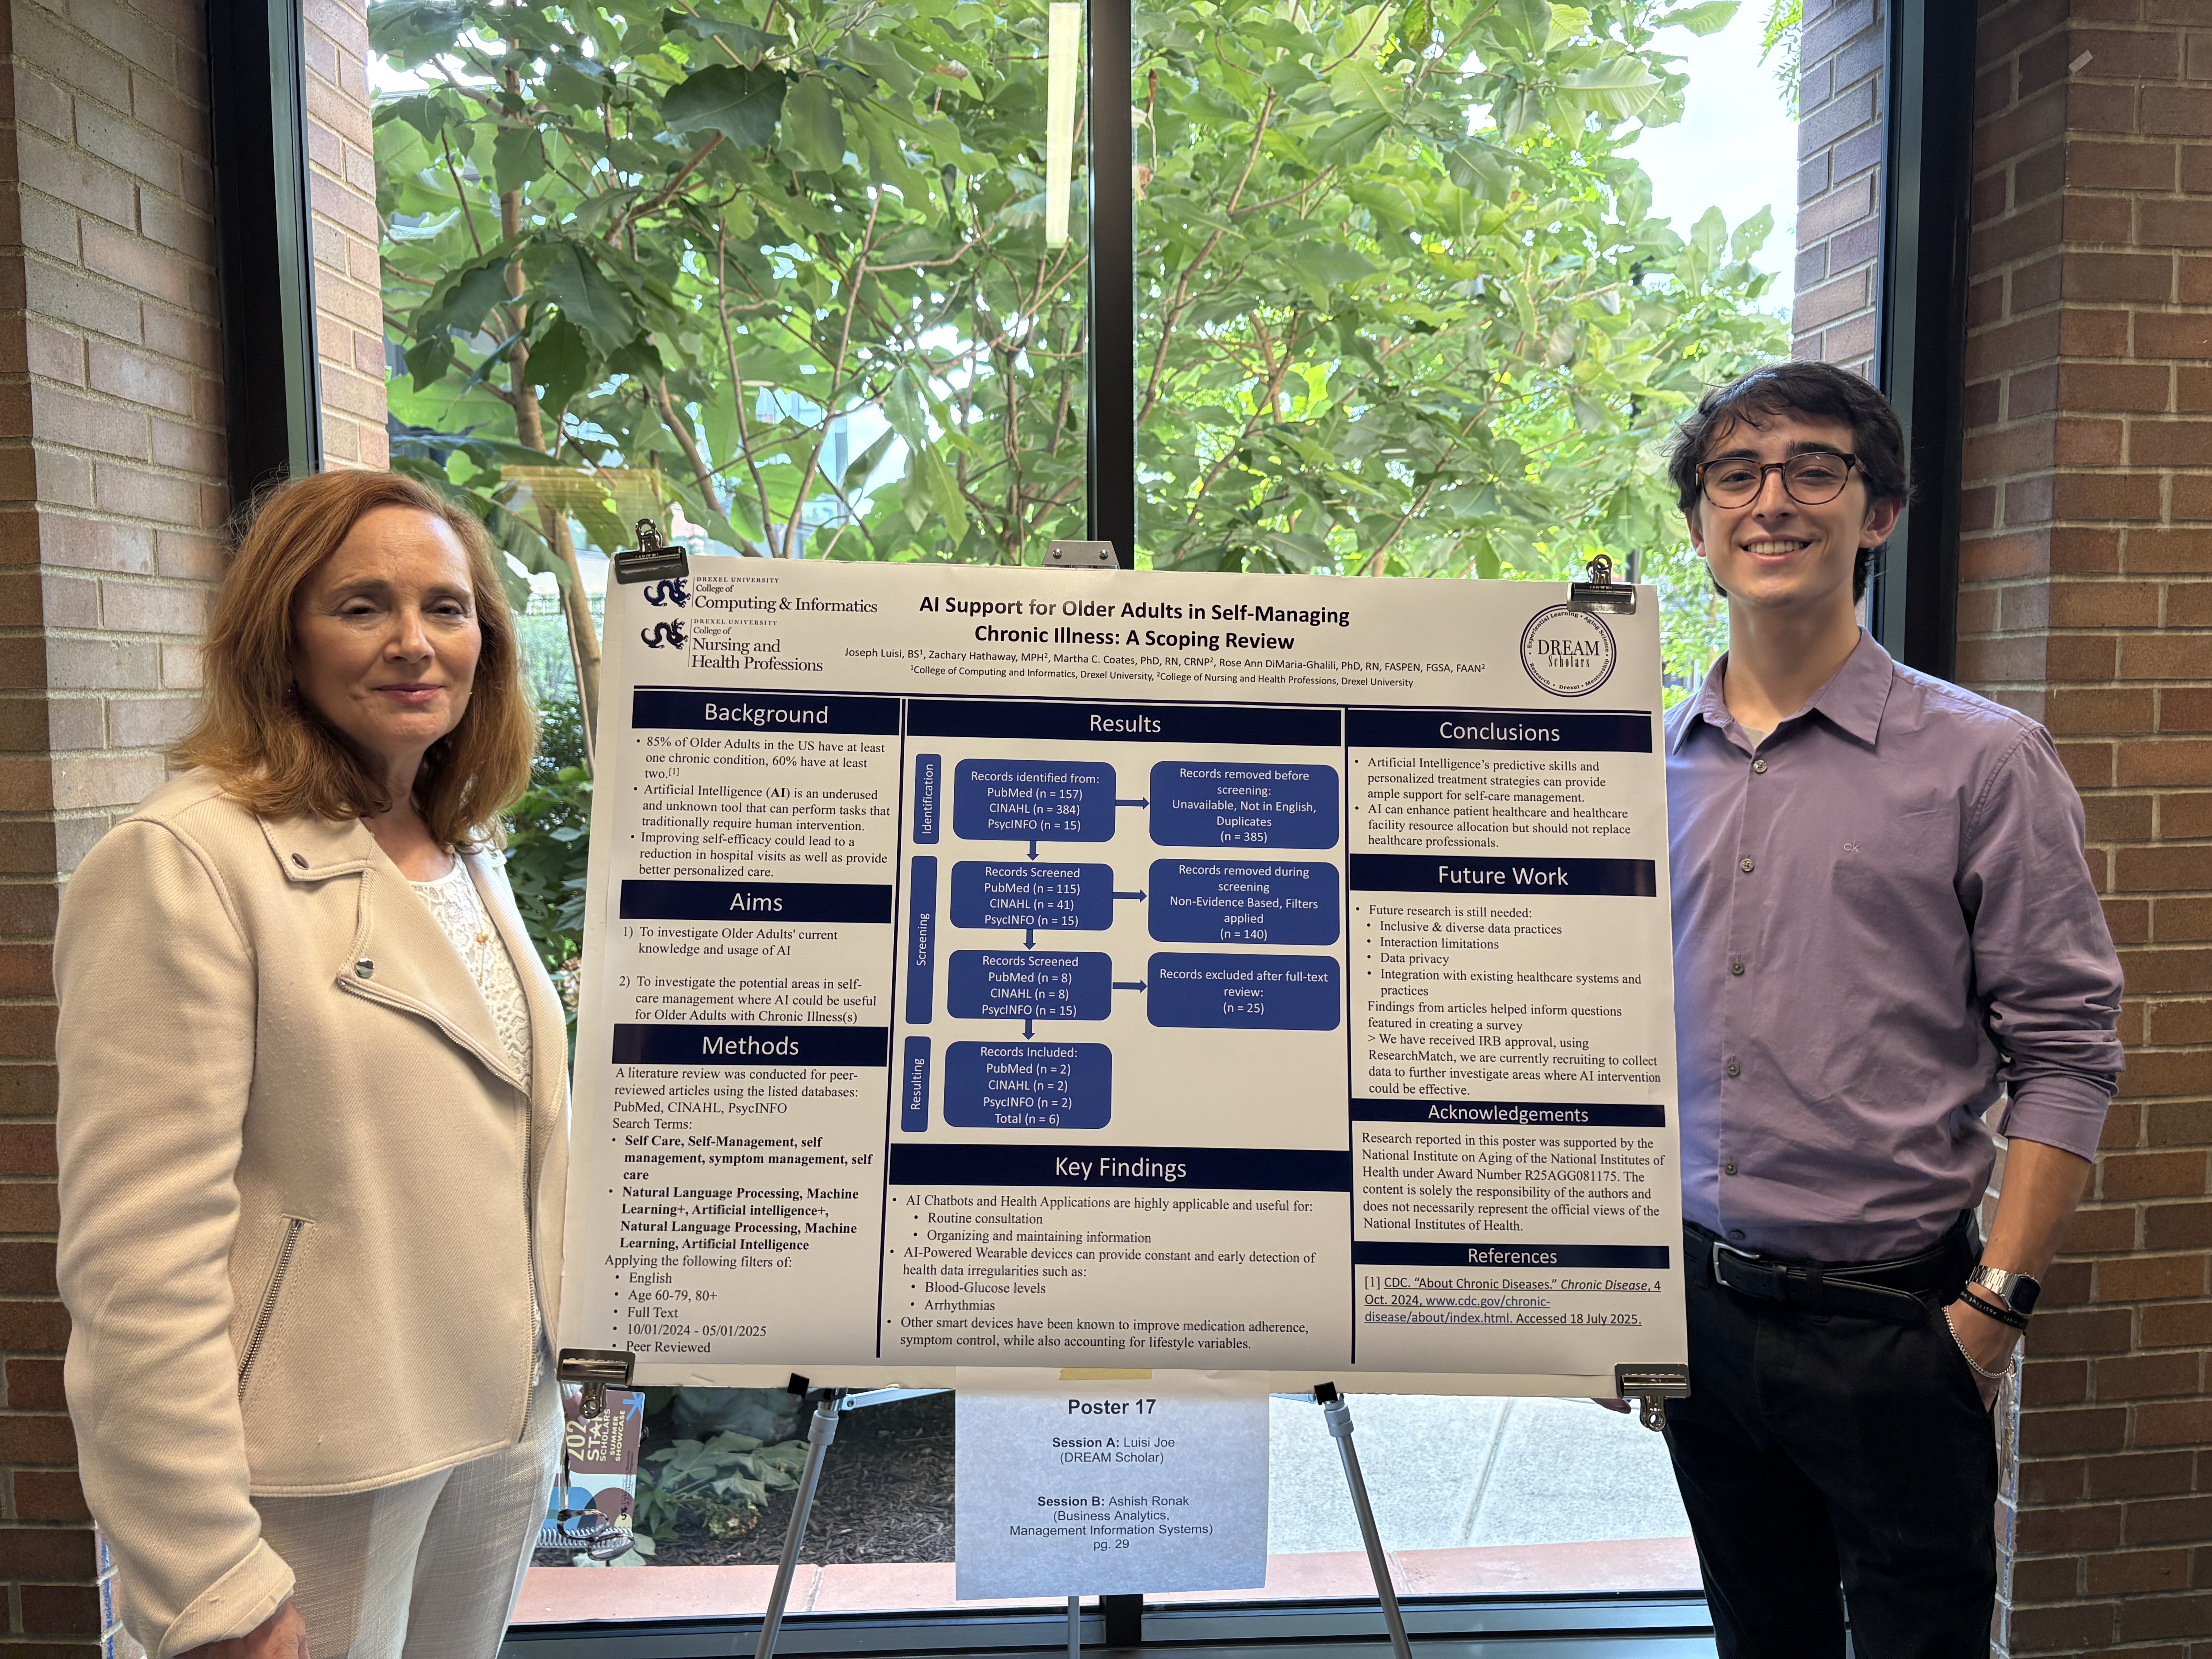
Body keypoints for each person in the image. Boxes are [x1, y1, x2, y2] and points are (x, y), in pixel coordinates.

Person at [54, 471, 570, 1659]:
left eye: (447, 607)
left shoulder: (456, 844)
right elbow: (135, 1262)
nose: (413, 643)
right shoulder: (183, 863)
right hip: (315, 1465)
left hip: (495, 1429)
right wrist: (209, 1577)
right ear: (279, 632)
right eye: (360, 606)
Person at [1656, 361, 2123, 1657]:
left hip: (1899, 1324)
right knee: (1761, 1638)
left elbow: (2072, 1051)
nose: (1772, 501)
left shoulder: (1985, 761)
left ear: (1878, 514)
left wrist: (1992, 1313)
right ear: (1699, 523)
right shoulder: (1642, 773)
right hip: (1698, 1312)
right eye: (1735, 475)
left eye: (1816, 468)